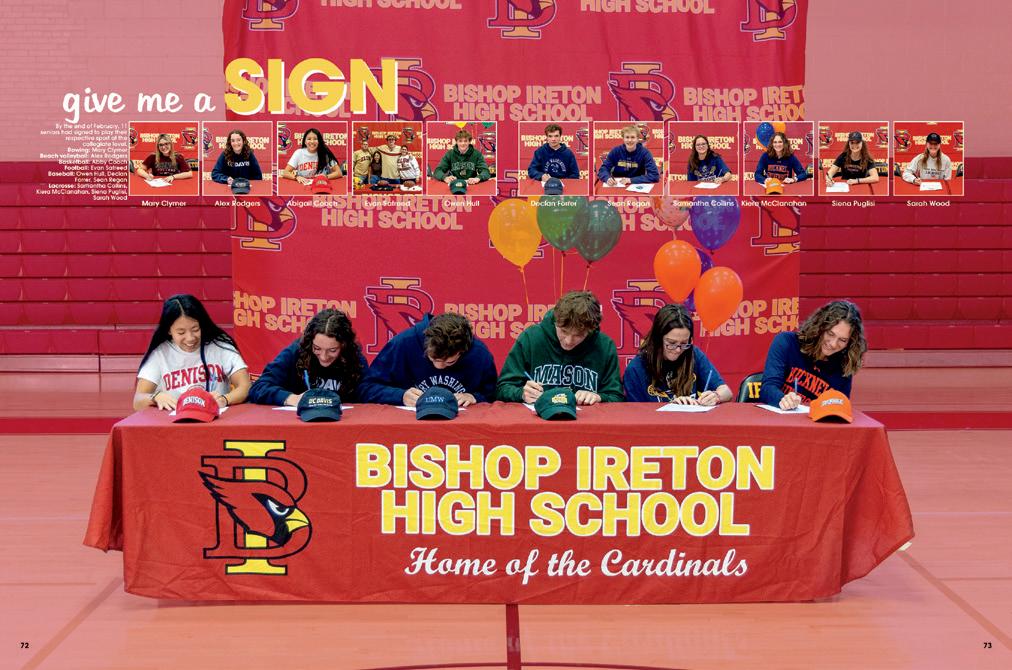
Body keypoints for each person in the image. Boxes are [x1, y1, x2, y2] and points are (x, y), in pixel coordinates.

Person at [497, 291, 623, 405]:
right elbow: (502, 389)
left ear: (591, 330)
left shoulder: (604, 346)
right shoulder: (531, 338)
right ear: (555, 321)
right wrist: (521, 394)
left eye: (579, 335)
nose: (569, 341)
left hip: (587, 421)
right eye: (563, 331)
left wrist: (599, 397)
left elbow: (616, 397)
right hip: (537, 419)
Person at [132, 294, 249, 411]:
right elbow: (138, 401)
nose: (190, 338)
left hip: (216, 417)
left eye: (195, 329)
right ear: (169, 330)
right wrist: (155, 397)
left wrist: (225, 399)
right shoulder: (159, 354)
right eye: (181, 332)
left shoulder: (220, 346)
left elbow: (245, 386)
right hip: (176, 419)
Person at [357, 313, 497, 407]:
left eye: (449, 362)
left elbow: (493, 394)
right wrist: (400, 396)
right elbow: (366, 388)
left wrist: (475, 397)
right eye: (433, 359)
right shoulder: (404, 343)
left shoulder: (479, 353)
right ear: (425, 344)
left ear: (463, 351)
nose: (439, 367)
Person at [759, 300, 867, 410]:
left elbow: (840, 405)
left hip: (815, 420)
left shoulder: (845, 364)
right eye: (830, 334)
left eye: (843, 340)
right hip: (779, 417)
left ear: (850, 342)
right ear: (820, 327)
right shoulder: (787, 342)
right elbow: (767, 388)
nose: (833, 344)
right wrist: (782, 399)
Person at [249, 309, 367, 406]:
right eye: (317, 348)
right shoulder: (295, 352)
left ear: (344, 345)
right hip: (299, 422)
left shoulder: (354, 358)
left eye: (332, 350)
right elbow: (259, 387)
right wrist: (291, 398)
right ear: (310, 342)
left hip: (341, 421)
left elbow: (368, 390)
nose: (324, 357)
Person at [623, 304, 732, 405]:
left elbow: (727, 392)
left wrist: (716, 396)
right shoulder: (636, 369)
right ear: (657, 339)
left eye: (684, 343)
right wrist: (671, 407)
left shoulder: (693, 354)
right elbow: (636, 413)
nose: (678, 350)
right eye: (671, 343)